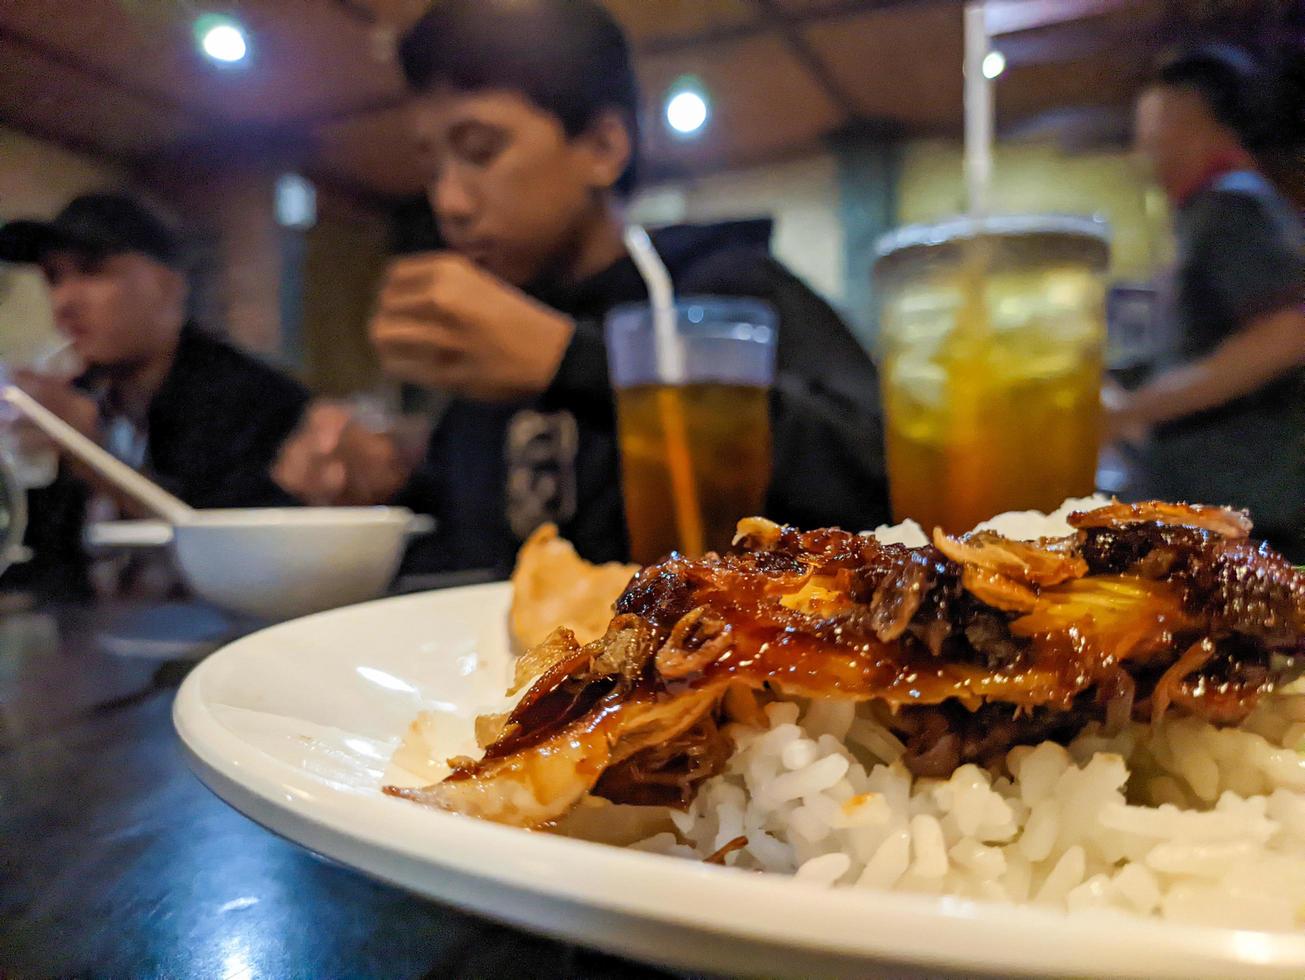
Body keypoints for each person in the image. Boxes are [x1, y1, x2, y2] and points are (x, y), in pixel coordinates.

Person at [275, 0, 889, 575]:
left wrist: (570, 359)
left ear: (602, 147)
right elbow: (469, 545)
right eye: (433, 166)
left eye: (480, 151)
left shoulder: (728, 289)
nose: (448, 202)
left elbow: (876, 474)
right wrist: (380, 482)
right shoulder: (490, 334)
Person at [0, 192, 310, 596]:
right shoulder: (76, 395)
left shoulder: (254, 398)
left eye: (92, 271)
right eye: (53, 278)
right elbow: (43, 560)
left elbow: (249, 558)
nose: (64, 301)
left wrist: (90, 452)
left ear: (168, 286)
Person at [1111, 46, 1305, 558]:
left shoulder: (1232, 204)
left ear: (1191, 119)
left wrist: (1132, 408)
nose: (1141, 147)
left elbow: (1286, 335)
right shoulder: (1215, 209)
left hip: (1245, 518)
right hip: (1230, 517)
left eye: (1150, 126)